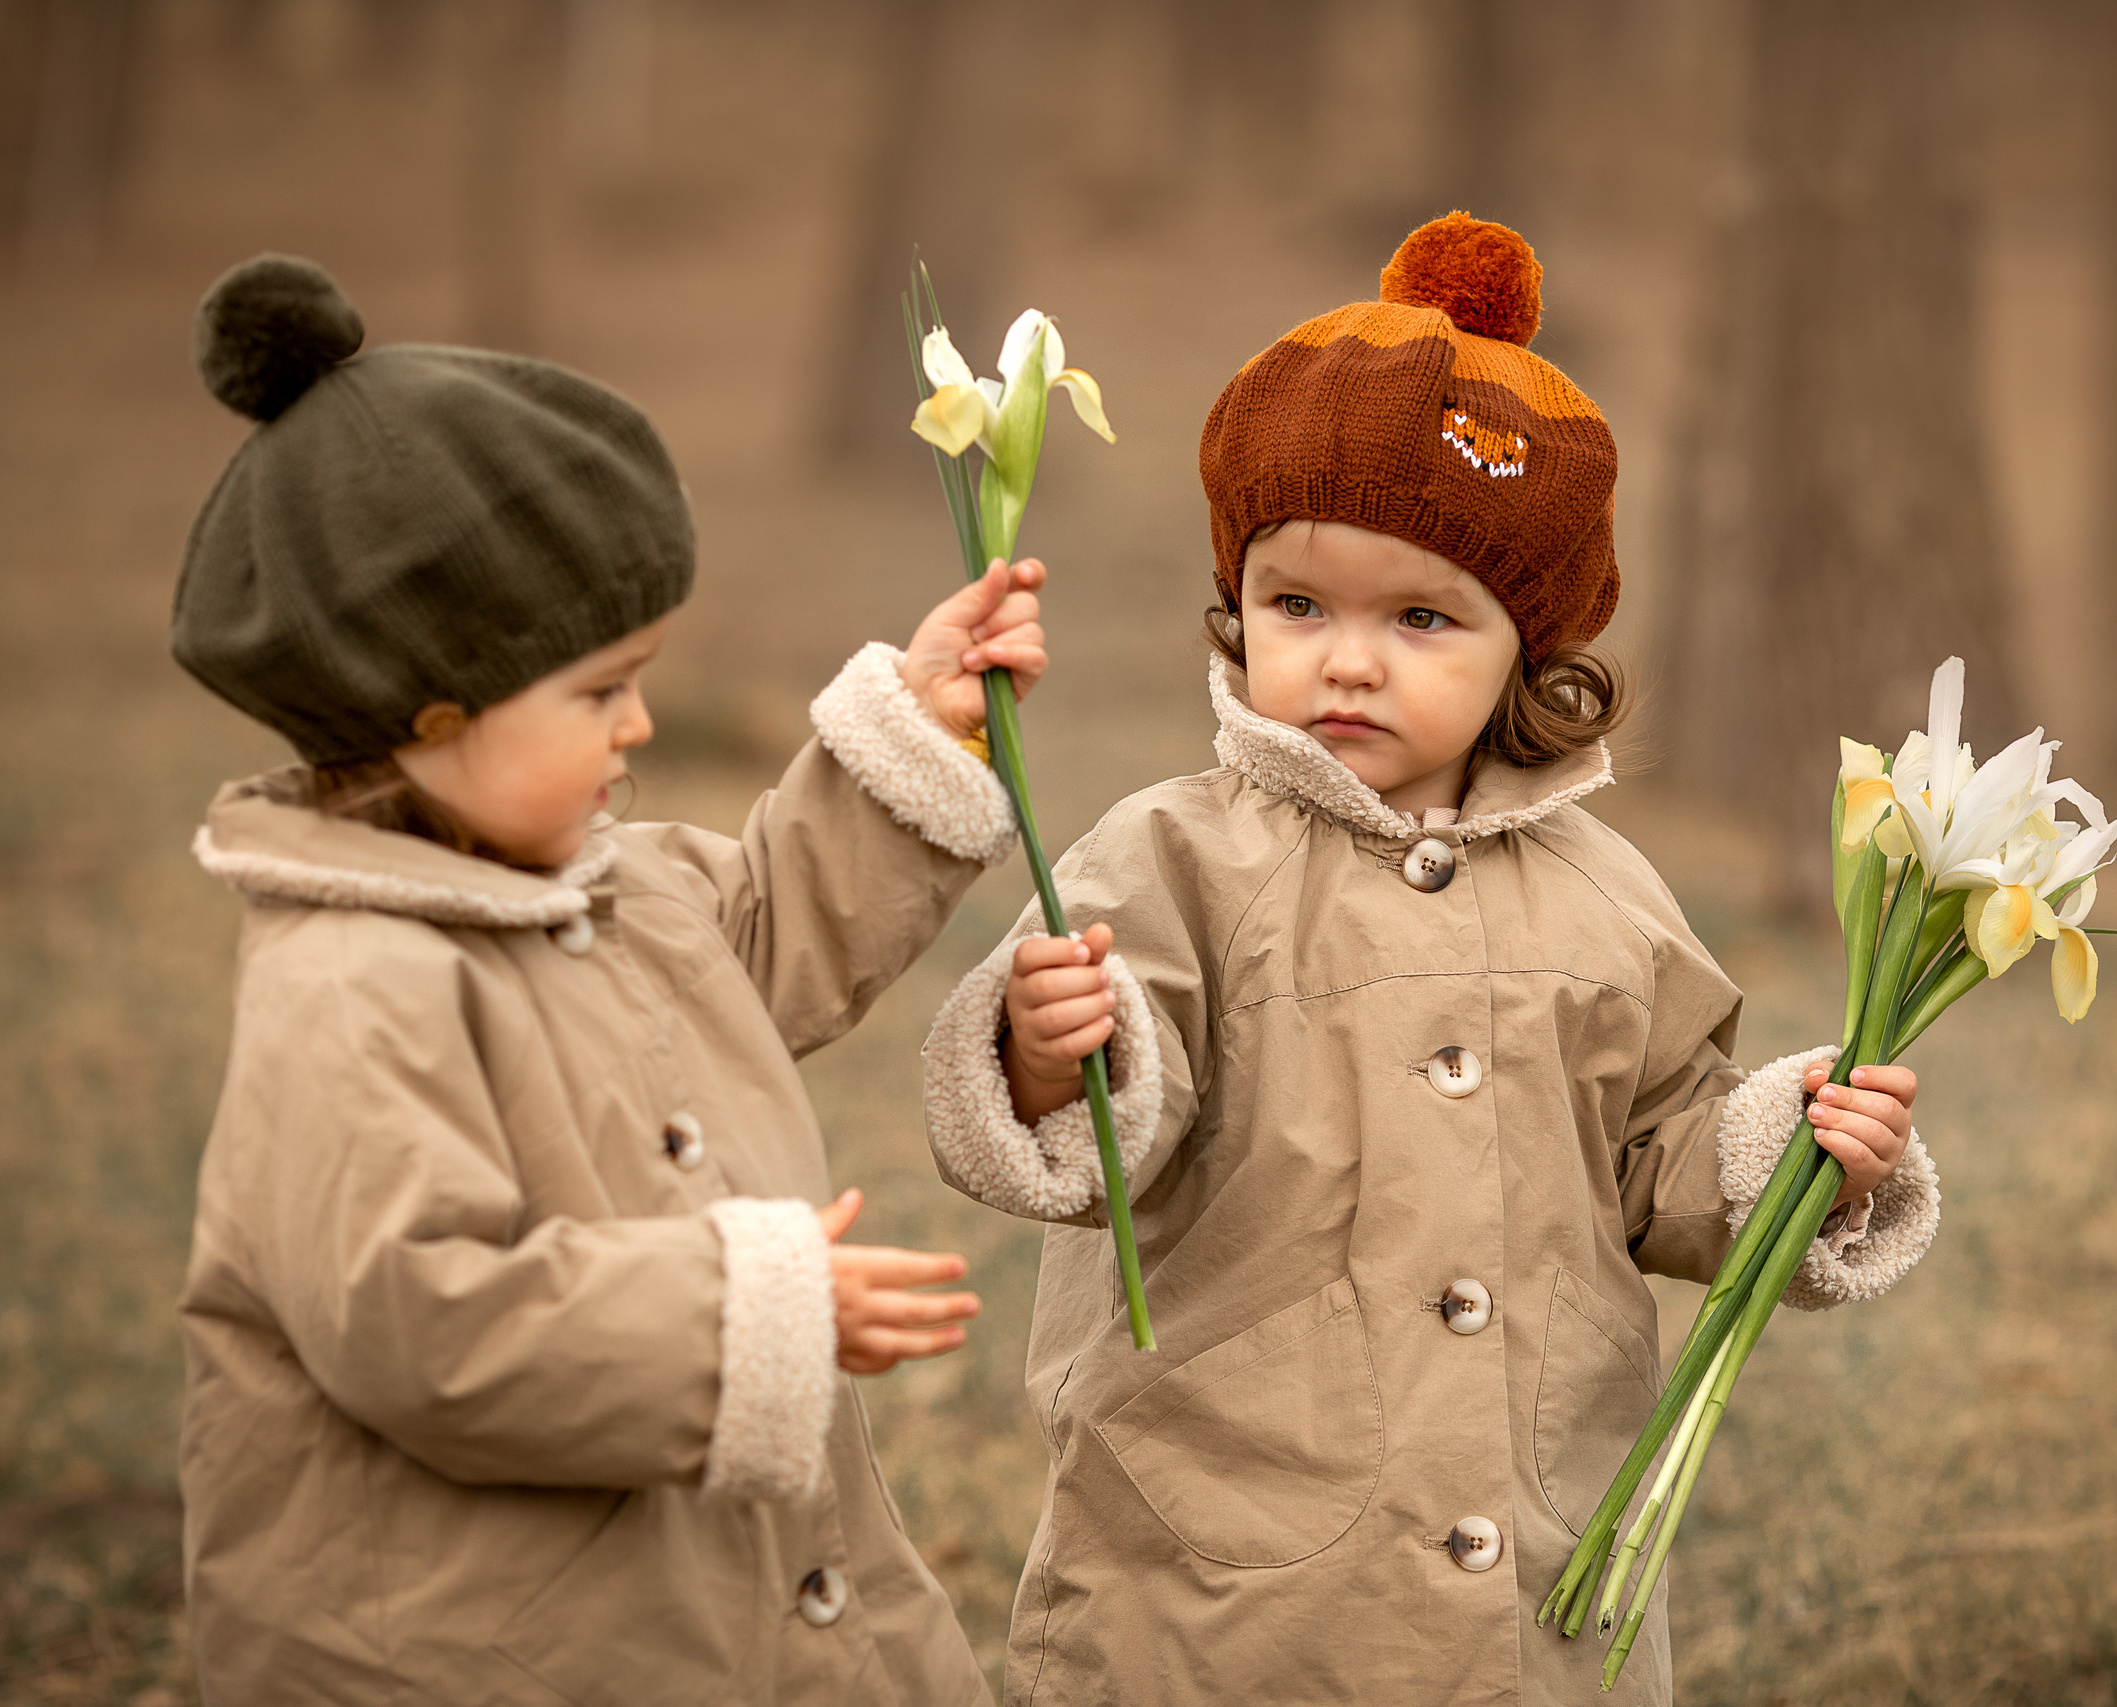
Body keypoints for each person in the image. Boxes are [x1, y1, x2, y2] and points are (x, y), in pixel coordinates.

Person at [919, 214, 1945, 1705]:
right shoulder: (1172, 857)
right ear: (1237, 609)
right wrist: (1042, 1050)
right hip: (1222, 1591)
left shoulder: (1606, 896)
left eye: (1419, 618)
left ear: (1527, 648)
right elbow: (1086, 1134)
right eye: (1298, 606)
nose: (1348, 658)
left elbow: (1661, 1155)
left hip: (1529, 1577)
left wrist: (1792, 1155)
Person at [172, 253, 1031, 1705]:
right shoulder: (356, 986)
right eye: (595, 690)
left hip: (700, 1597)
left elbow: (755, 938)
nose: (639, 725)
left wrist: (916, 739)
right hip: (480, 1648)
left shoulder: (607, 885)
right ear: (422, 706)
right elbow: (422, 1318)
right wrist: (750, 1315)